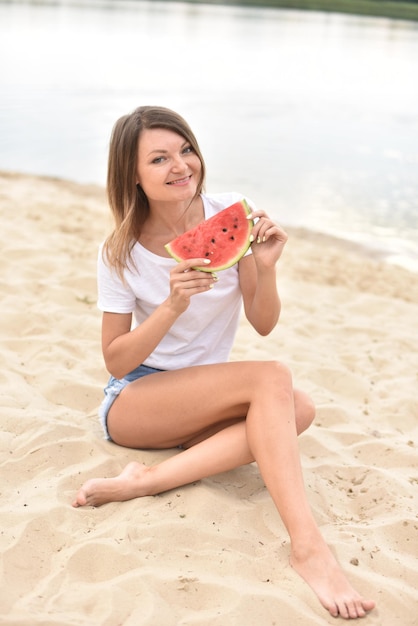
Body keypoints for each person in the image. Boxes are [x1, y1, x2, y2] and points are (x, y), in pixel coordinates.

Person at [73, 106, 375, 619]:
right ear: (133, 174)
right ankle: (308, 548)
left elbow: (262, 322)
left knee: (297, 409)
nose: (181, 165)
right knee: (274, 377)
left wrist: (263, 266)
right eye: (160, 158)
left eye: (186, 149)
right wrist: (171, 306)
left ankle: (148, 480)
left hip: (204, 398)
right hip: (137, 399)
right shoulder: (119, 251)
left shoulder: (232, 211)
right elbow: (115, 358)